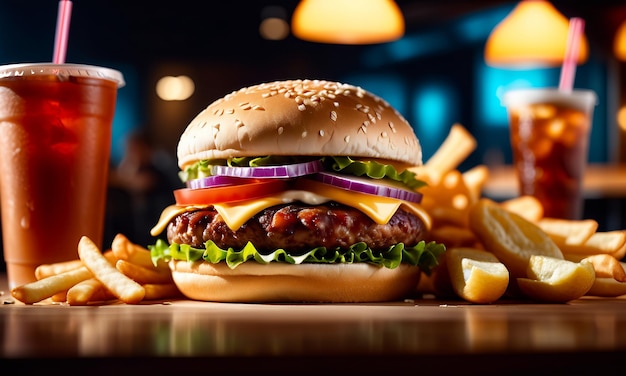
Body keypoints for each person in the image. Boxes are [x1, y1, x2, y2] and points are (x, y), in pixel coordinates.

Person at [106, 130, 180, 247]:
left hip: (157, 235)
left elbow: (141, 182)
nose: (129, 153)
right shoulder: (134, 169)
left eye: (133, 149)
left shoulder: (158, 169)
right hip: (138, 236)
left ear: (145, 149)